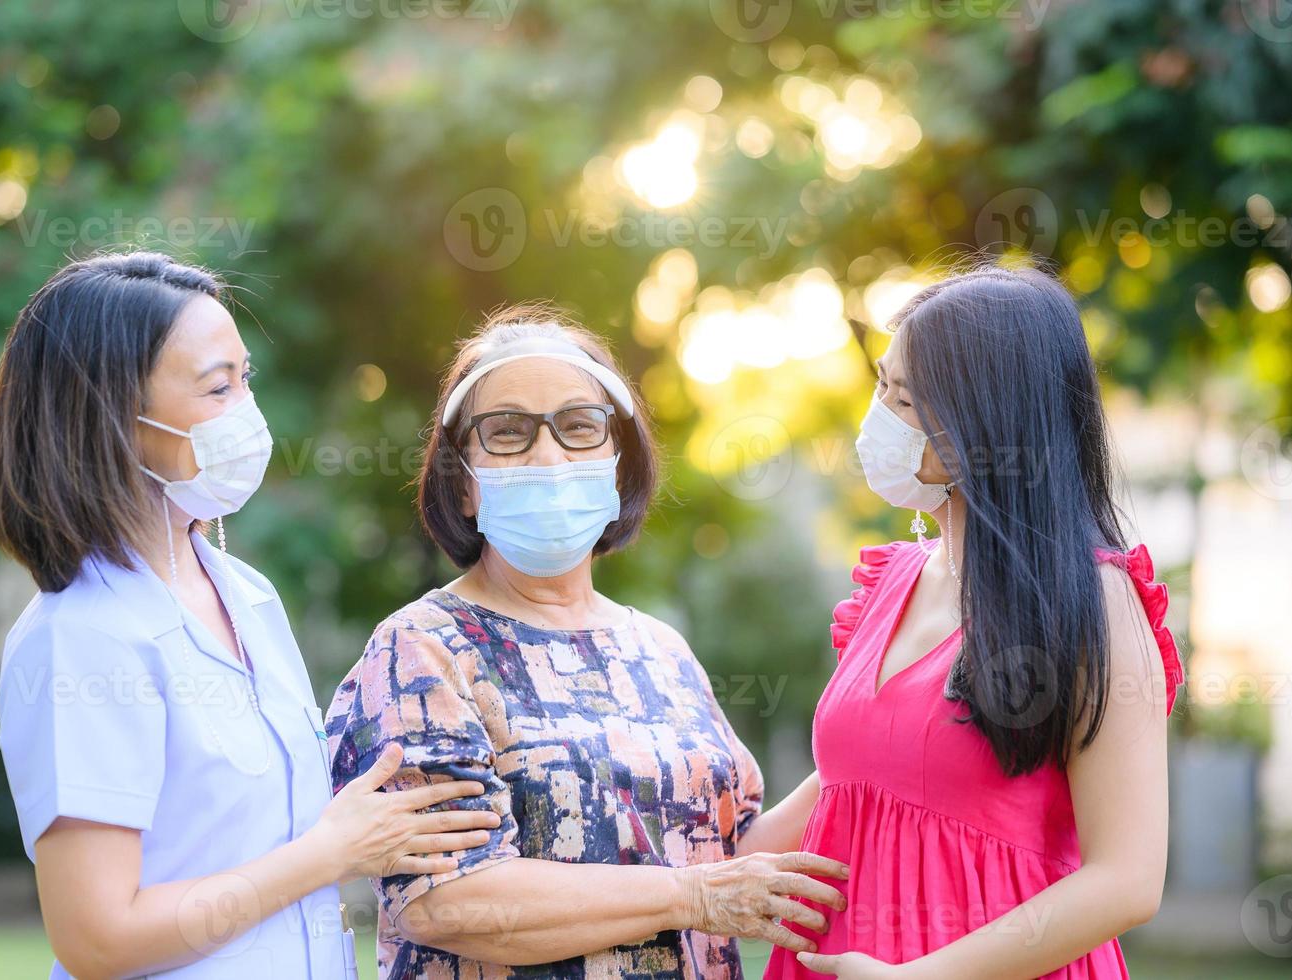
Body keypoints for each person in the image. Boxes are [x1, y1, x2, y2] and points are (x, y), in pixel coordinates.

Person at [0, 251, 500, 979]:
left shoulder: (246, 593)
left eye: (244, 379)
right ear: (110, 414)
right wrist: (330, 853)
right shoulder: (81, 638)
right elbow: (97, 938)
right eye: (216, 388)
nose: (247, 413)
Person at [323, 304, 850, 979]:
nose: (548, 455)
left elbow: (730, 856)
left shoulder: (658, 649)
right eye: (508, 432)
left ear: (617, 465)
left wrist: (860, 741)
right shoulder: (419, 652)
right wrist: (688, 897)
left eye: (578, 427)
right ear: (463, 487)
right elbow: (448, 899)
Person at [761, 265, 1183, 979]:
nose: (878, 419)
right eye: (880, 387)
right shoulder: (887, 583)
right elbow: (842, 792)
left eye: (905, 399)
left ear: (984, 423)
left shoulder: (1095, 600)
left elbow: (1128, 879)